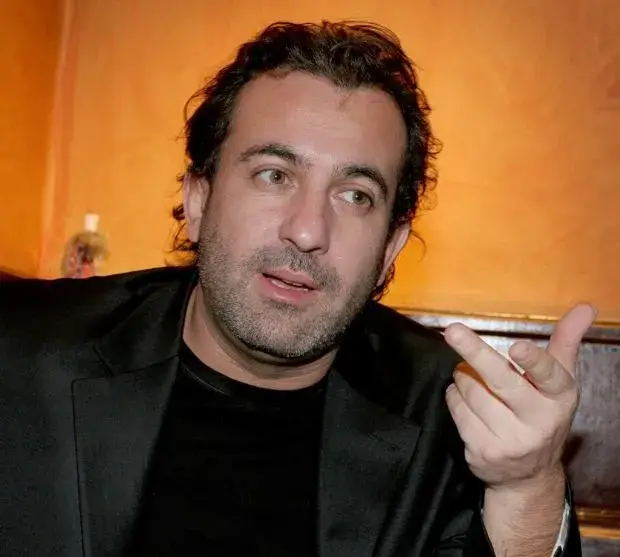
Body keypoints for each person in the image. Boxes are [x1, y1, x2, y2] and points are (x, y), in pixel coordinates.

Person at [0, 21, 595, 557]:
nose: (308, 231)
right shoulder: (20, 355)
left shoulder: (450, 418)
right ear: (199, 200)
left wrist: (527, 488)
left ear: (390, 246)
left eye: (355, 195)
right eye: (274, 175)